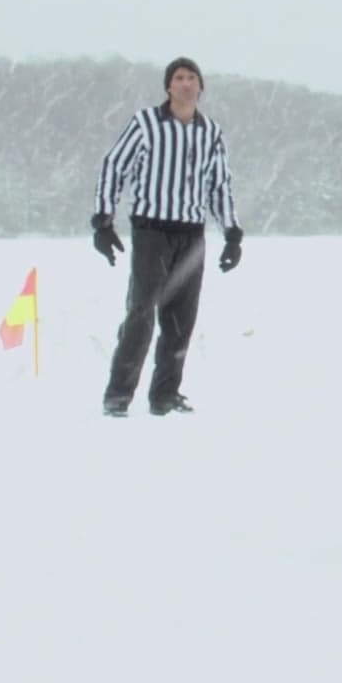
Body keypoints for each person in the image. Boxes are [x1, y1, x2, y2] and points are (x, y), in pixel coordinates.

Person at [91, 56, 243, 418]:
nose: (186, 83)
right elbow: (115, 166)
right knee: (141, 315)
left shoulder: (211, 133)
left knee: (180, 321)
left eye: (192, 77)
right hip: (152, 231)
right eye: (179, 77)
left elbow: (219, 184)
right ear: (168, 86)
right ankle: (117, 396)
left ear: (201, 86)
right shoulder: (146, 124)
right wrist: (102, 221)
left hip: (191, 235)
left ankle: (164, 395)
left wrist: (232, 233)